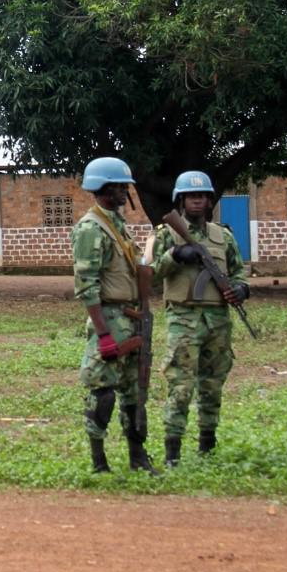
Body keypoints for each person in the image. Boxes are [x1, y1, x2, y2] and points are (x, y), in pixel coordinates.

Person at [149, 170, 250, 468]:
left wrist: (241, 290)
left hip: (218, 320)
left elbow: (238, 273)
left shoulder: (224, 236)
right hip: (183, 318)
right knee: (180, 386)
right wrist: (175, 255)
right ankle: (173, 452)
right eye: (191, 197)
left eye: (202, 196)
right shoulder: (167, 233)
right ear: (180, 200)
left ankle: (208, 442)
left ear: (209, 201)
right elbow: (150, 274)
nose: (197, 201)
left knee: (213, 384)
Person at [72, 156, 157, 475]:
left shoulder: (118, 225)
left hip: (132, 317)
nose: (124, 191)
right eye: (119, 186)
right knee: (103, 392)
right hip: (108, 316)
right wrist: (103, 332)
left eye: (125, 186)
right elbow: (86, 284)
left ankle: (138, 457)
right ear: (102, 188)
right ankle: (99, 462)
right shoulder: (91, 228)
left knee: (135, 393)